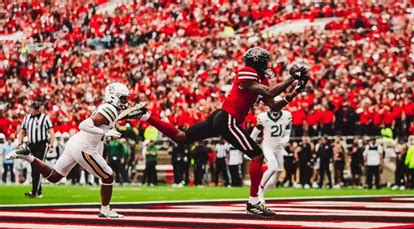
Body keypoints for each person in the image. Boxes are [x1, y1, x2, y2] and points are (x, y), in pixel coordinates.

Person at [134, 47, 309, 217]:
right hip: (228, 119)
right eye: (264, 62)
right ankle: (254, 201)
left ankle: (145, 115)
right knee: (257, 155)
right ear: (257, 63)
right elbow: (270, 91)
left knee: (182, 137)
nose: (267, 66)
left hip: (222, 118)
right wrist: (291, 79)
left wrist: (296, 91)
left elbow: (274, 105)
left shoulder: (261, 80)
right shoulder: (247, 71)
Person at [7, 82, 145, 218]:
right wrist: (105, 133)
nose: (125, 101)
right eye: (123, 98)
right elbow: (84, 124)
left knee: (54, 177)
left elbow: (116, 117)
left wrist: (133, 114)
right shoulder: (110, 110)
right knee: (108, 175)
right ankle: (105, 210)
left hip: (75, 143)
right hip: (84, 147)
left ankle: (27, 156)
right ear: (113, 97)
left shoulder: (109, 109)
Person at [250, 108, 292, 203]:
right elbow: (254, 134)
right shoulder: (263, 117)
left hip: (278, 148)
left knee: (278, 172)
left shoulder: (286, 115)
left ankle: (261, 193)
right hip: (268, 146)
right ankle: (259, 190)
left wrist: (285, 139)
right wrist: (249, 149)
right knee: (273, 167)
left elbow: (287, 134)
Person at [18, 100, 55, 198]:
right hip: (31, 145)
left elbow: (51, 132)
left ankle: (34, 192)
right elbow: (22, 131)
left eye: (37, 108)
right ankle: (38, 191)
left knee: (37, 167)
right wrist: (19, 143)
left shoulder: (45, 118)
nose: (36, 110)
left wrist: (51, 145)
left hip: (41, 145)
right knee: (33, 167)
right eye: (34, 108)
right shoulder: (27, 118)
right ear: (31, 108)